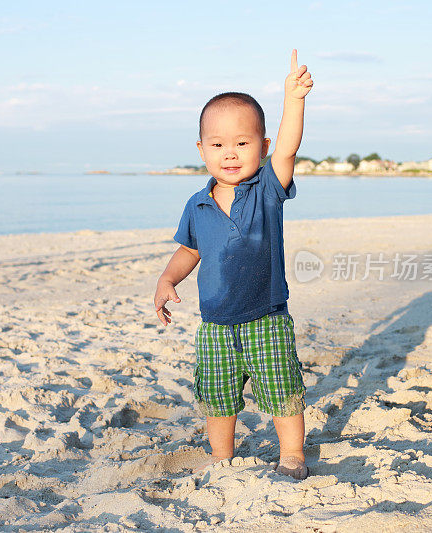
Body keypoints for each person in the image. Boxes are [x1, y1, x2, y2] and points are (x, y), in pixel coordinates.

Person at [154, 49, 313, 480]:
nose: (230, 153)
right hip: (216, 323)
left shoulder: (267, 189)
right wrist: (168, 279)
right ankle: (221, 458)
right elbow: (190, 250)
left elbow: (288, 148)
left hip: (266, 318)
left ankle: (293, 455)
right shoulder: (197, 204)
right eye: (219, 144)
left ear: (260, 148)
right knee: (218, 399)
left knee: (282, 392)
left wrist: (293, 99)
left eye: (243, 143)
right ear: (202, 149)